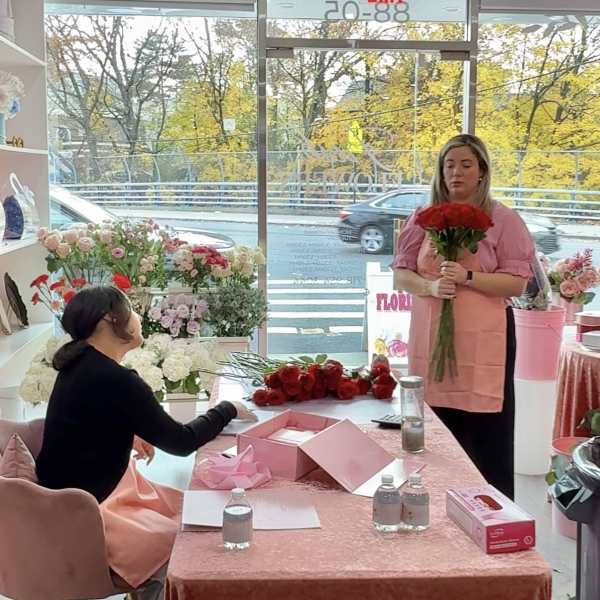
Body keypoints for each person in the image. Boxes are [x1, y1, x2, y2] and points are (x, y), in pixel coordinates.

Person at [36, 286, 256, 600]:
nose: (137, 317)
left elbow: (86, 418)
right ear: (109, 320)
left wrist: (128, 431)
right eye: (131, 310)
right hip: (89, 511)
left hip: (56, 499)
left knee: (180, 508)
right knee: (188, 540)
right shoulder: (118, 380)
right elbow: (182, 442)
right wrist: (227, 408)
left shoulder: (78, 364)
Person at [392, 134, 535, 499]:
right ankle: (430, 502)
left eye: (466, 165)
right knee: (436, 430)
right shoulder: (422, 218)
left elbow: (517, 284)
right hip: (431, 339)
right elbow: (401, 275)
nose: (456, 172)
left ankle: (492, 509)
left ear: (482, 171)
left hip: (484, 343)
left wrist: (468, 277)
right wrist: (429, 286)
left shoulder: (503, 219)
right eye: (449, 165)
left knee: (485, 434)